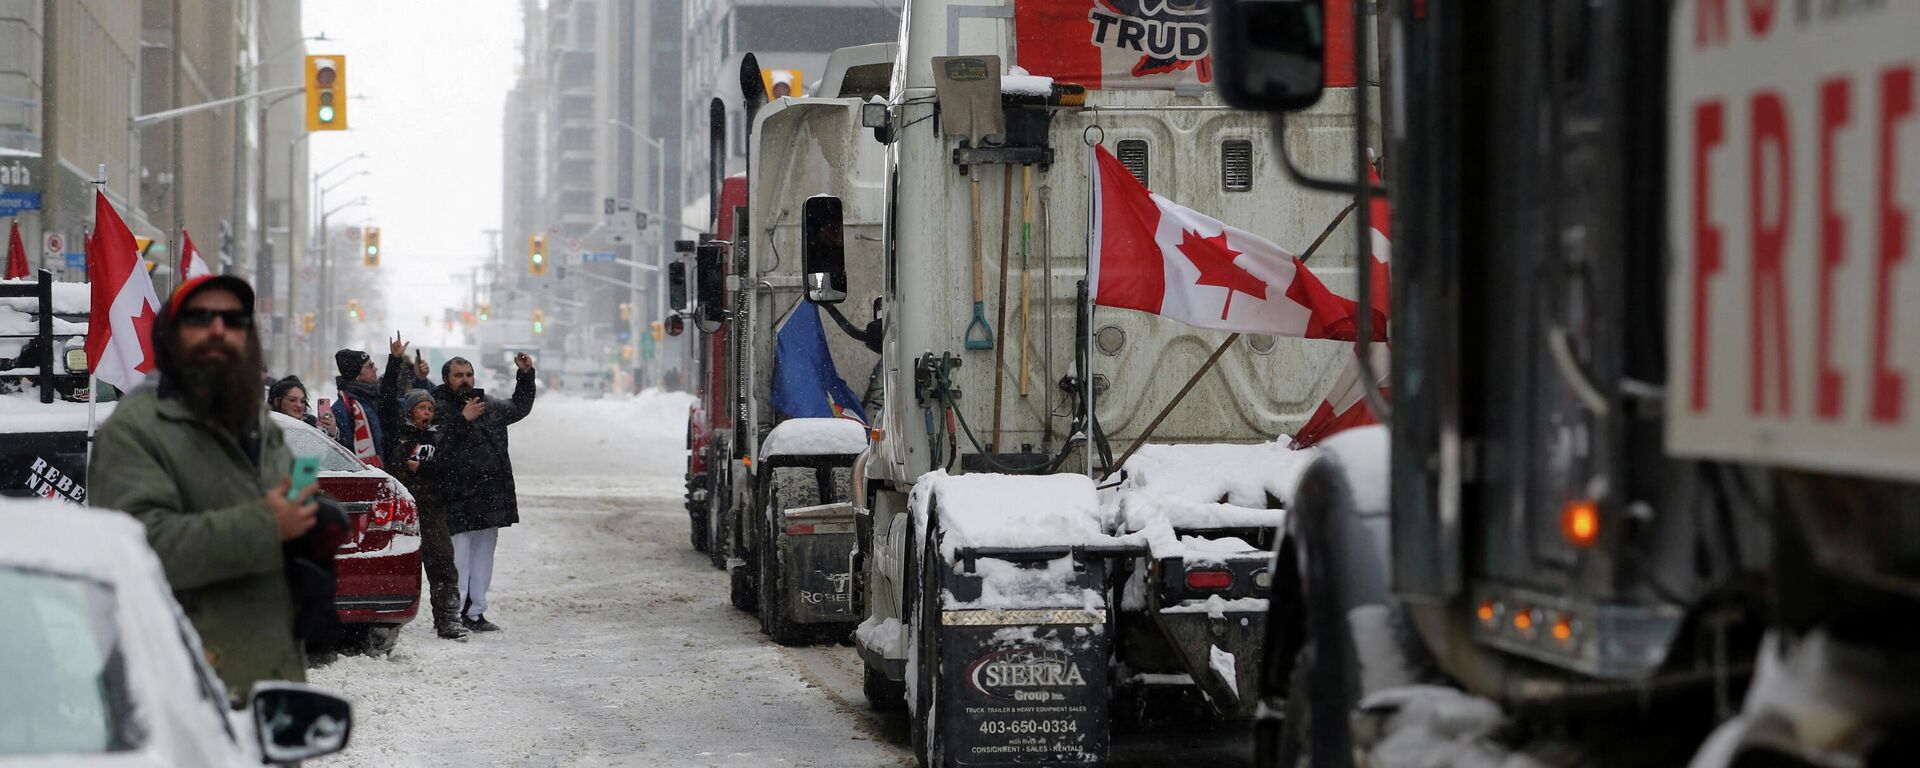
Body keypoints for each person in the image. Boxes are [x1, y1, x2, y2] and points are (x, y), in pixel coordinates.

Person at [88, 275, 321, 700]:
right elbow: (138, 550)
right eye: (200, 318)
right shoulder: (136, 429)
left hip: (266, 688)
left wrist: (311, 539)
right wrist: (267, 525)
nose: (219, 329)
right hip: (178, 699)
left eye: (234, 319)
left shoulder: (256, 423)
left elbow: (279, 519)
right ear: (170, 336)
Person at [432, 352, 536, 632]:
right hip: (457, 498)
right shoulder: (437, 406)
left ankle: (475, 612)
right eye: (458, 375)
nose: (465, 380)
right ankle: (453, 614)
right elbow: (438, 448)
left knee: (483, 560)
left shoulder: (487, 403)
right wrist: (462, 420)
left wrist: (525, 375)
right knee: (458, 561)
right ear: (446, 379)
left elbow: (519, 407)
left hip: (489, 497)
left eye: (468, 374)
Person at [384, 389, 467, 640]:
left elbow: (451, 470)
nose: (426, 414)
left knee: (442, 562)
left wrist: (425, 468)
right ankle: (385, 621)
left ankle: (449, 618)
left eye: (430, 409)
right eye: (421, 408)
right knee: (395, 565)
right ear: (410, 412)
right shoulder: (397, 435)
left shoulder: (439, 438)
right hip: (402, 510)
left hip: (432, 510)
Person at [330, 337, 411, 465]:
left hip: (387, 473)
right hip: (364, 478)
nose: (375, 369)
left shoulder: (375, 398)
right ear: (357, 375)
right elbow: (344, 451)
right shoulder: (342, 408)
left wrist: (395, 360)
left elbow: (389, 394)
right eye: (370, 366)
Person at [269, 375, 338, 440]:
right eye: (292, 400)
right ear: (277, 402)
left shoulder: (311, 424)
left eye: (302, 401)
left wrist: (332, 433)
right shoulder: (268, 426)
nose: (299, 405)